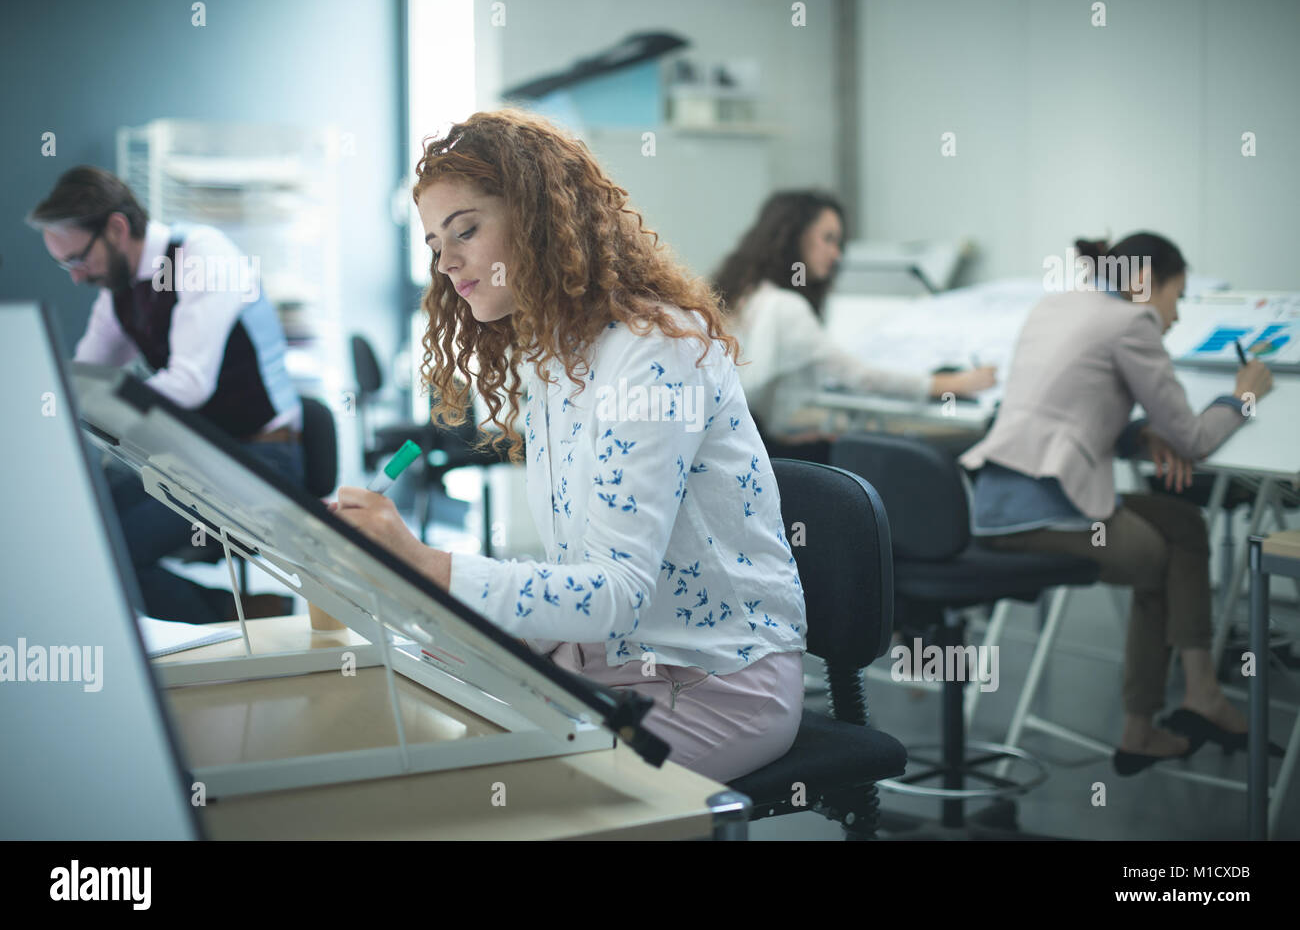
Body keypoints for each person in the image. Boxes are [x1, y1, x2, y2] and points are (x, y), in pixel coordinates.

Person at [330, 108, 807, 783]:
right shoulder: (552, 354)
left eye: (466, 230)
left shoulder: (654, 350)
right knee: (401, 711)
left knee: (489, 791)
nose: (448, 262)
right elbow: (581, 576)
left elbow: (617, 591)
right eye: (437, 243)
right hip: (602, 662)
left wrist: (428, 565)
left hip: (714, 682)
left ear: (538, 220)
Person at [960, 233, 1277, 775]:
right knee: (1161, 558)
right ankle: (1160, 715)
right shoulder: (1132, 323)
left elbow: (1064, 409)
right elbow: (1196, 440)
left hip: (995, 501)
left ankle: (1193, 693)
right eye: (1176, 298)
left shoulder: (1057, 304)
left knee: (1182, 522)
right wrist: (1244, 394)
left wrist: (1135, 436)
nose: (1174, 318)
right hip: (1050, 510)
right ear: (1149, 283)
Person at [28, 166, 304, 624]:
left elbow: (189, 383)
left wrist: (106, 409)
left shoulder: (201, 256)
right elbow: (82, 379)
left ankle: (252, 619)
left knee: (115, 550)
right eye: (66, 266)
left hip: (260, 461)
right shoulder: (119, 289)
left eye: (78, 259)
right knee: (84, 533)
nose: (76, 277)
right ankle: (256, 614)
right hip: (195, 458)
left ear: (116, 229)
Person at [713, 190, 997, 460]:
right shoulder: (785, 306)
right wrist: (956, 383)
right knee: (854, 454)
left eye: (839, 242)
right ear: (793, 237)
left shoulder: (745, 292)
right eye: (828, 239)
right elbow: (861, 378)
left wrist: (781, 440)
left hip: (729, 443)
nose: (836, 254)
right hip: (746, 447)